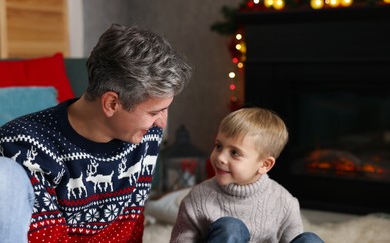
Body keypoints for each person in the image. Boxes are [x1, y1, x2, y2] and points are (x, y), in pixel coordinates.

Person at [0, 23, 192, 242]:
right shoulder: (23, 147)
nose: (161, 123)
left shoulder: (145, 136)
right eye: (154, 112)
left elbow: (133, 227)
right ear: (111, 103)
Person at [170, 107, 323, 243]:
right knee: (230, 227)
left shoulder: (285, 203)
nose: (221, 157)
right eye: (218, 146)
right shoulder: (197, 199)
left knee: (310, 240)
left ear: (264, 165)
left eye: (235, 153)